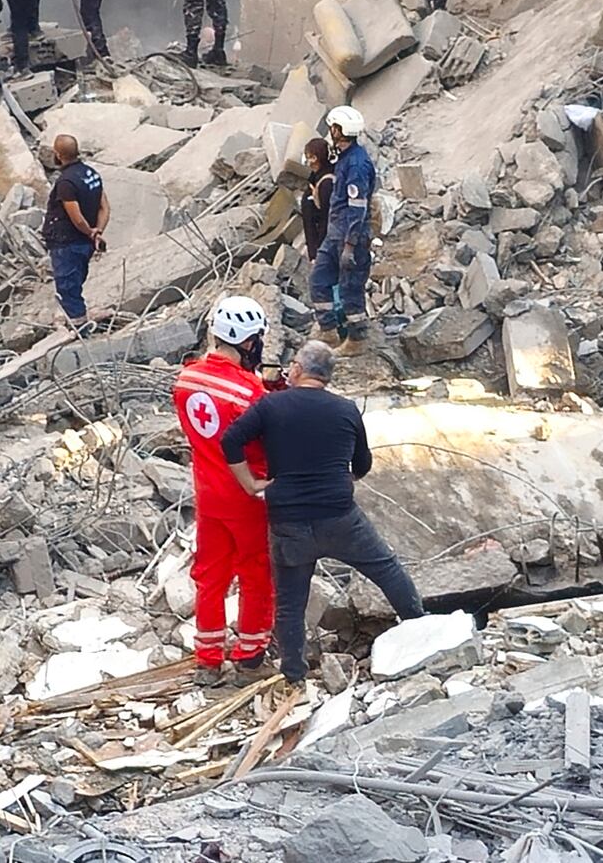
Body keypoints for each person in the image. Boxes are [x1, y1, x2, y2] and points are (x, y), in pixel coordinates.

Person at [221, 340, 424, 687]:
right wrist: (338, 478)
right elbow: (362, 464)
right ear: (327, 376)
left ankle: (294, 676)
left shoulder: (271, 405)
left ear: (299, 369)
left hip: (289, 522)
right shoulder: (345, 409)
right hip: (341, 517)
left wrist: (250, 483)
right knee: (387, 570)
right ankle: (423, 631)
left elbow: (230, 440)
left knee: (290, 602)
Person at [173, 297, 275, 686]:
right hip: (247, 495)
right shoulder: (249, 393)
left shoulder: (186, 380)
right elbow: (264, 441)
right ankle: (250, 655)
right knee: (255, 573)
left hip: (208, 495)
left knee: (210, 576)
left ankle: (208, 658)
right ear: (249, 341)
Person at [310, 107, 375, 357]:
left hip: (350, 236)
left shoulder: (357, 164)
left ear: (338, 130)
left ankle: (357, 340)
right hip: (335, 233)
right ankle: (328, 329)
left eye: (332, 127)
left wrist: (350, 245)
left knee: (350, 289)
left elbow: (357, 209)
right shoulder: (345, 159)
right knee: (319, 279)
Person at [42, 134, 109, 330]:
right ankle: (77, 320)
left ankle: (80, 330)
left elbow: (77, 217)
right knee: (75, 283)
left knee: (67, 287)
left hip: (67, 242)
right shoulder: (91, 174)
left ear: (58, 154)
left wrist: (89, 232)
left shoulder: (66, 183)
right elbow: (104, 207)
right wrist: (97, 232)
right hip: (84, 243)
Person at [299, 137, 336, 262]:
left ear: (314, 158)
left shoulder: (326, 184)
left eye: (307, 155)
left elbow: (326, 219)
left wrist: (318, 252)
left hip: (323, 249)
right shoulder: (315, 178)